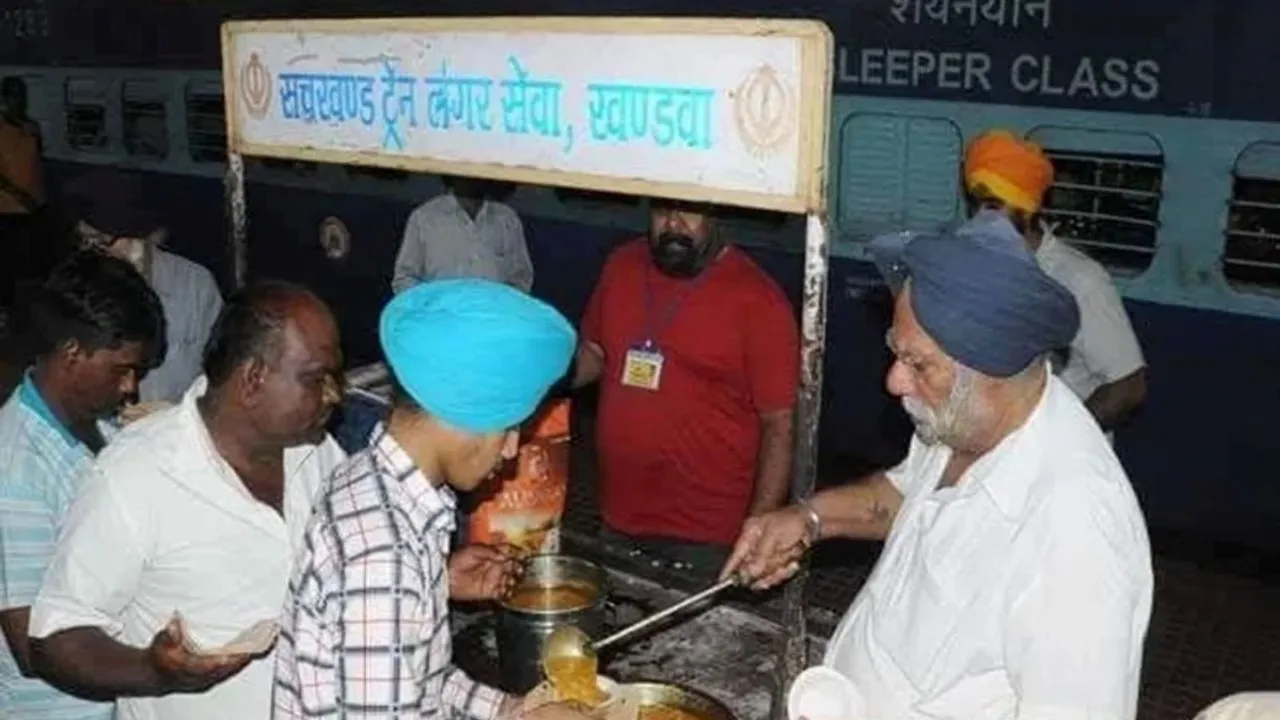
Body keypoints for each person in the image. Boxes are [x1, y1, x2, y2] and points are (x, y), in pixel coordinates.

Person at [722, 217, 1154, 720]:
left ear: (992, 370)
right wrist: (809, 518)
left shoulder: (1076, 537)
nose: (894, 381)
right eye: (896, 353)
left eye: (918, 364)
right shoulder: (961, 420)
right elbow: (906, 496)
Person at [27, 281, 348, 720]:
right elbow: (55, 637)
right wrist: (155, 671)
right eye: (315, 379)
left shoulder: (318, 453)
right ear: (253, 379)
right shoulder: (138, 474)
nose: (333, 395)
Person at [273, 278, 581, 719]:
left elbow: (421, 681)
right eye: (508, 427)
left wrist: (511, 710)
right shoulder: (384, 555)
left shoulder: (384, 488)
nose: (512, 449)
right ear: (464, 413)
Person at [570, 199, 798, 577]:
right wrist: (550, 379)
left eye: (688, 212)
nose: (673, 224)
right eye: (662, 211)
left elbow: (779, 422)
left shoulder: (758, 298)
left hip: (705, 534)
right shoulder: (621, 265)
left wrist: (761, 524)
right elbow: (596, 351)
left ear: (716, 216)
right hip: (618, 515)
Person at [0, 251, 165, 719]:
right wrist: (163, 669)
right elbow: (33, 646)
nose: (131, 387)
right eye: (121, 369)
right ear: (73, 353)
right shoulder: (15, 470)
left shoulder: (106, 429)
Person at [963, 129, 1147, 433]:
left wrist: (1058, 441)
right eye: (976, 204)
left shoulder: (1080, 280)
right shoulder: (979, 266)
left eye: (994, 205)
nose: (980, 217)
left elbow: (1128, 387)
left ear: (1027, 209)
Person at [66, 168, 224, 407]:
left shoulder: (196, 287)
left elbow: (221, 376)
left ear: (145, 237)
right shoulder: (78, 285)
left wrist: (176, 413)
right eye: (87, 241)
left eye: (103, 241)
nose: (95, 252)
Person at [392, 175, 533, 294]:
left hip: (491, 316)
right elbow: (404, 278)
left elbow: (521, 278)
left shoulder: (507, 219)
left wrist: (499, 308)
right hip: (440, 315)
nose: (472, 176)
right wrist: (431, 307)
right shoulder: (425, 218)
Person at [0, 76, 49, 312]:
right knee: (7, 263)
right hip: (6, 208)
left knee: (32, 262)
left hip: (35, 205)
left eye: (21, 95)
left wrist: (38, 197)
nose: (18, 100)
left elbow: (38, 161)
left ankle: (27, 309)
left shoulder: (32, 128)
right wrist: (20, 195)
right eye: (13, 95)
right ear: (4, 99)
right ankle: (6, 309)